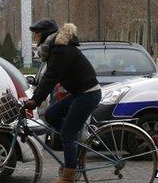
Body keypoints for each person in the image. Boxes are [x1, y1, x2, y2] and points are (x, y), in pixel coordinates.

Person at [24, 19, 102, 183]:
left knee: (66, 134)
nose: (34, 36)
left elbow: (51, 77)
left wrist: (35, 101)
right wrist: (35, 97)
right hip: (80, 93)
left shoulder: (60, 50)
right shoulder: (55, 49)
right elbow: (47, 77)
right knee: (51, 114)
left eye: (36, 33)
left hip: (88, 94)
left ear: (44, 34)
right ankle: (72, 144)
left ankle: (68, 177)